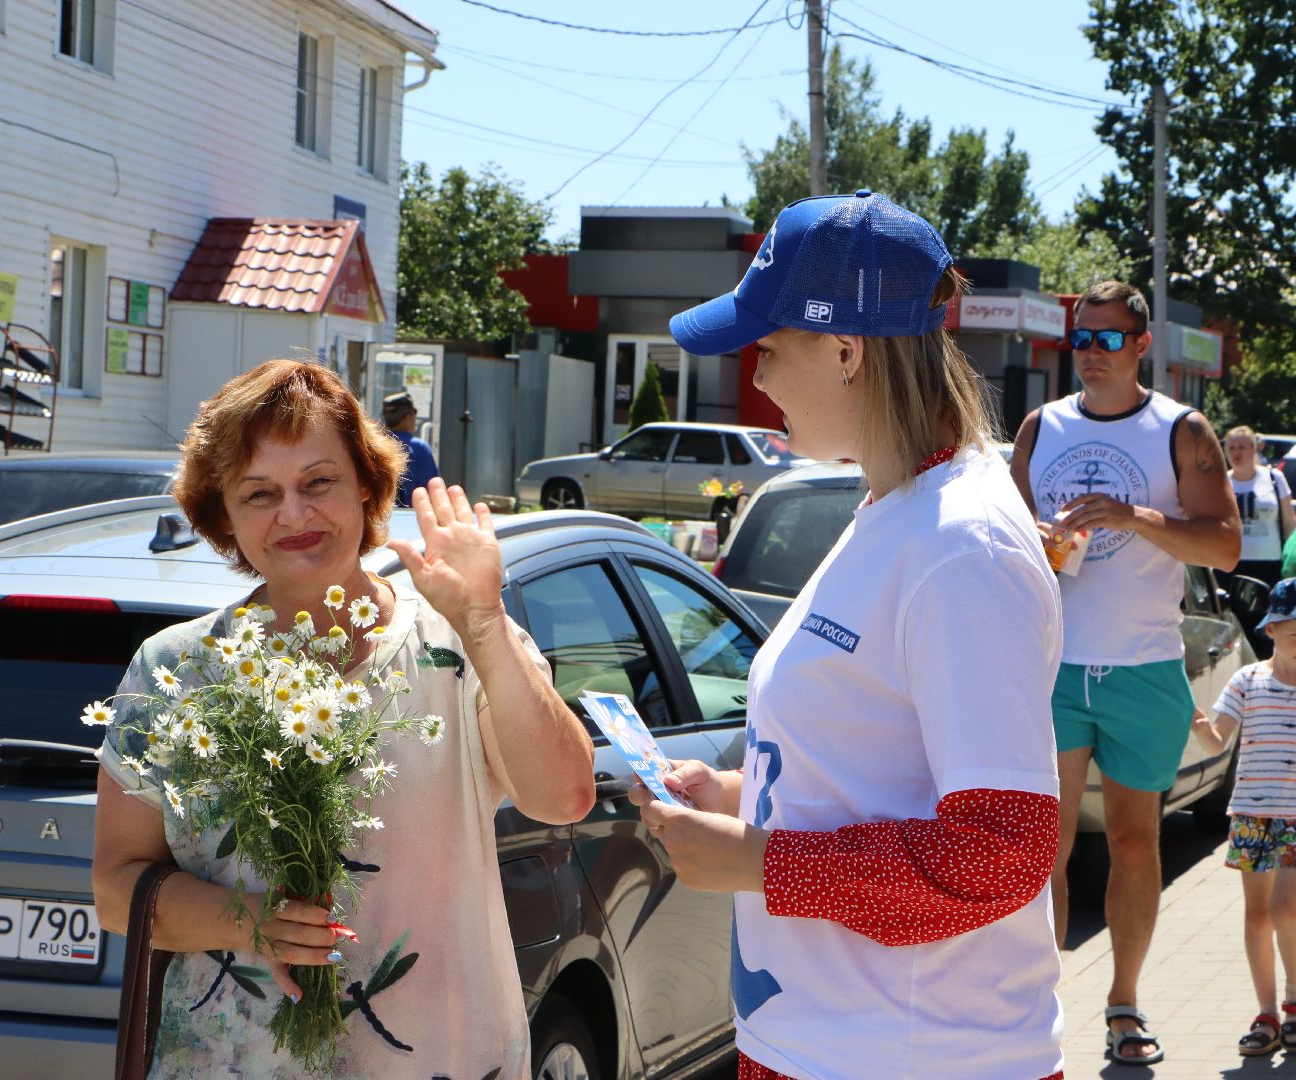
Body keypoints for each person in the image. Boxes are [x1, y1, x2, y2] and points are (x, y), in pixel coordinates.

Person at [638, 189, 1066, 1080]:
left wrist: (762, 862)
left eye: (768, 348)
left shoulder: (963, 545)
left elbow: (1000, 853)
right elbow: (874, 754)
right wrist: (740, 794)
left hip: (916, 1057)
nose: (754, 379)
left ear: (845, 350)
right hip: (829, 1042)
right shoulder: (898, 505)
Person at [90, 359, 595, 1078]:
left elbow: (563, 797)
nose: (293, 515)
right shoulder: (175, 671)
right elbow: (115, 887)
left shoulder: (452, 644)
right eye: (259, 493)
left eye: (317, 483)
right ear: (223, 515)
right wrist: (251, 922)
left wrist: (484, 622)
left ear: (365, 483)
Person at [1010, 280, 1240, 1065]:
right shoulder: (1042, 427)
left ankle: (1125, 1002)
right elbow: (1001, 541)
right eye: (1082, 338)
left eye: (1108, 339)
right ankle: (1034, 1002)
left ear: (1143, 345)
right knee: (1044, 845)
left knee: (1136, 843)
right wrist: (1033, 542)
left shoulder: (1182, 428)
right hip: (1053, 667)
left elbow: (1224, 546)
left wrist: (1130, 515)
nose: (1091, 352)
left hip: (1144, 667)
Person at [1190, 578, 1296, 1057]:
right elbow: (1218, 742)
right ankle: (1267, 1012)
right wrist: (1194, 724)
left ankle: (1294, 1004)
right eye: (1289, 622)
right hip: (1253, 815)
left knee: (1285, 908)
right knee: (1257, 915)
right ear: (1271, 628)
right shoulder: (1247, 680)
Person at [1224, 425, 1294, 588]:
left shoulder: (1274, 477)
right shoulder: (1222, 482)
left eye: (1241, 447)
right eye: (1231, 448)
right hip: (1231, 563)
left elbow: (1289, 524)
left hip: (1270, 562)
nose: (1236, 452)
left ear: (1253, 449)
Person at [380, 391, 440, 507]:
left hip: (380, 518)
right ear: (408, 416)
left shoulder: (374, 445)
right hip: (413, 518)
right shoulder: (419, 448)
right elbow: (432, 489)